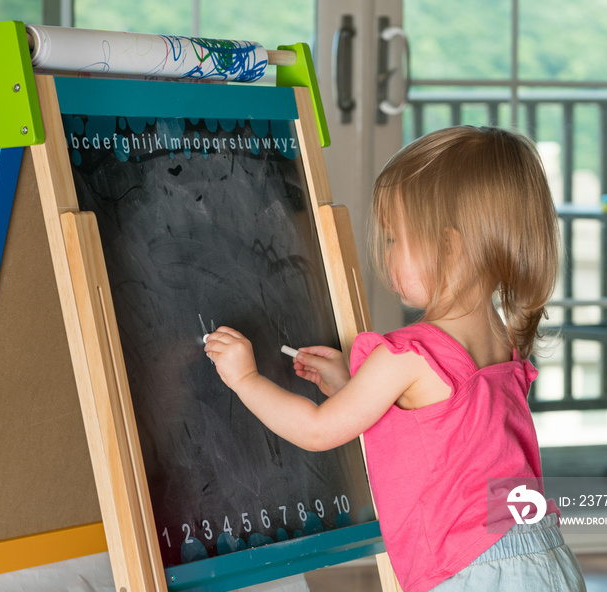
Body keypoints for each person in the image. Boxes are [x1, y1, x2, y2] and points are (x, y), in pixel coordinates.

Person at [204, 126, 586, 592]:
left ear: (448, 247)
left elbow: (318, 429)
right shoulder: (500, 341)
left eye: (392, 238)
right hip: (544, 556)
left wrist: (245, 378)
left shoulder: (407, 354)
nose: (384, 253)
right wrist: (355, 387)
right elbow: (445, 429)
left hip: (470, 570)